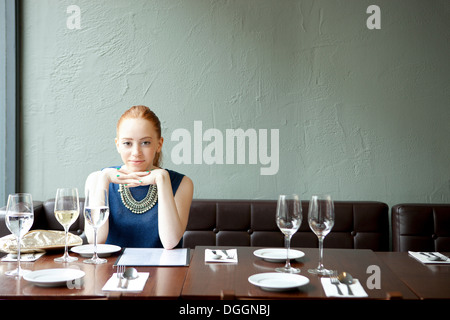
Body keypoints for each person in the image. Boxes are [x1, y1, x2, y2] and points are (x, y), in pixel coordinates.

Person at [84, 105, 193, 249]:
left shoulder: (182, 183)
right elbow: (95, 240)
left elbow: (170, 242)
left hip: (162, 270)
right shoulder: (96, 179)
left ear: (159, 144)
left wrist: (162, 180)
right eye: (127, 143)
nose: (136, 152)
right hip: (112, 270)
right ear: (118, 145)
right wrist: (104, 181)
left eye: (145, 143)